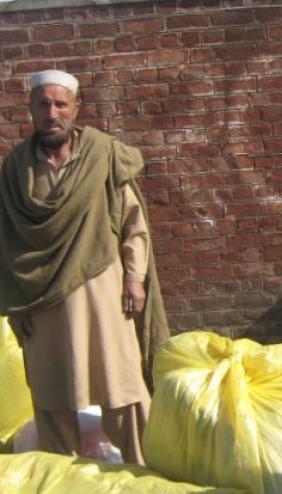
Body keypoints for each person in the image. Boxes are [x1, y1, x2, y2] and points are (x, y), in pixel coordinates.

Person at [0, 69, 169, 465]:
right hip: (41, 302)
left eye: (61, 104)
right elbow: (6, 240)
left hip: (104, 294)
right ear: (31, 109)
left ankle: (146, 473)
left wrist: (133, 279)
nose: (52, 112)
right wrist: (14, 306)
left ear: (77, 108)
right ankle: (62, 477)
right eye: (43, 104)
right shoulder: (15, 170)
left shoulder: (102, 154)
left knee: (123, 388)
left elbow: (133, 225)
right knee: (52, 397)